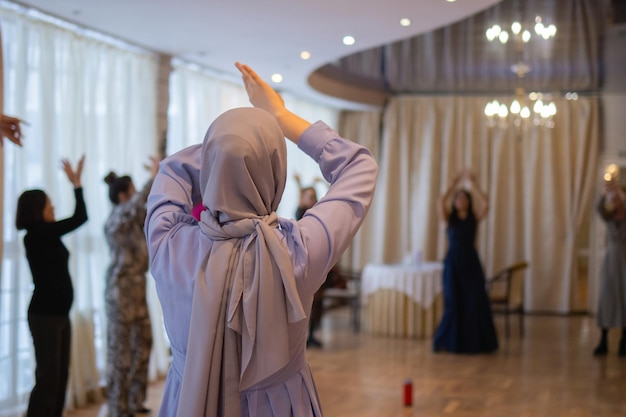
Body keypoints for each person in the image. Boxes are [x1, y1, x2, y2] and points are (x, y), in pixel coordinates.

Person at [144, 62, 378, 416]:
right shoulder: (300, 252)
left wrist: (227, 144)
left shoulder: (168, 243)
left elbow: (172, 170)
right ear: (276, 170)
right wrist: (279, 119)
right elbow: (359, 166)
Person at [15, 156, 87, 417]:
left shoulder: (47, 235)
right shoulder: (36, 236)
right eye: (48, 203)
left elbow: (78, 218)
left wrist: (77, 183)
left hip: (58, 315)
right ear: (37, 209)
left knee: (59, 380)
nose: (52, 206)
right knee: (47, 381)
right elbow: (80, 217)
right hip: (45, 316)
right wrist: (76, 184)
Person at [103, 157, 159, 417]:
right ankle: (118, 407)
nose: (138, 194)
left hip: (137, 288)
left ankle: (135, 401)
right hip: (120, 291)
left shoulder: (134, 218)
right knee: (121, 352)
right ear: (124, 194)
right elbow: (137, 205)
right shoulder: (116, 218)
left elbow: (147, 207)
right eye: (134, 190)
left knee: (142, 345)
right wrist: (155, 175)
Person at [433, 169, 498, 354]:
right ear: (454, 202)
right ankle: (450, 342)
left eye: (464, 198)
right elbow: (439, 202)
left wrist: (474, 184)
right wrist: (451, 186)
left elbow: (485, 203)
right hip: (453, 265)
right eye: (458, 198)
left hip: (471, 264)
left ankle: (475, 344)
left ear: (468, 202)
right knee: (453, 302)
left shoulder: (473, 218)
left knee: (474, 302)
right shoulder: (449, 218)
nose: (461, 200)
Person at [593, 179, 626, 356]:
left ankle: (623, 340)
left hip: (624, 260)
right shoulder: (609, 217)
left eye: (617, 200)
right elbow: (599, 208)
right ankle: (603, 340)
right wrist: (605, 193)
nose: (615, 203)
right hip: (611, 260)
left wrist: (620, 192)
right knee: (607, 296)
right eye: (613, 200)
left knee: (624, 297)